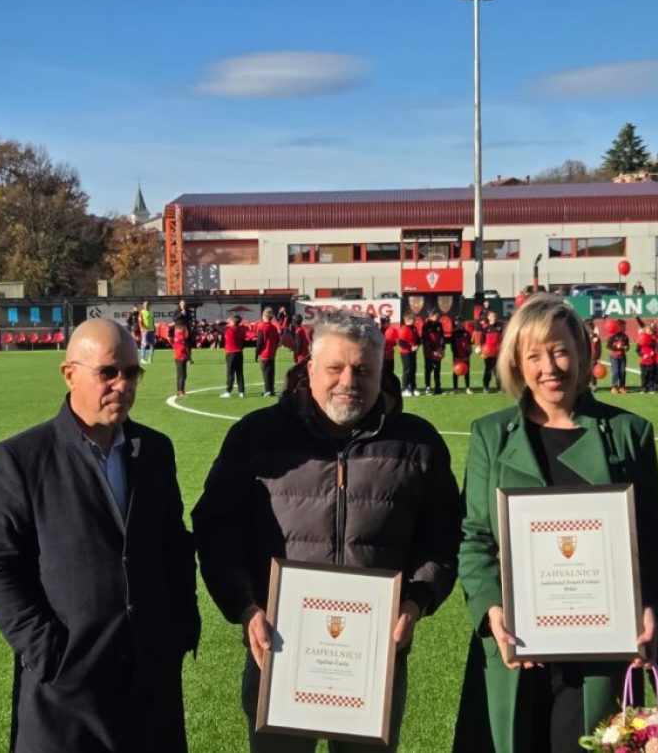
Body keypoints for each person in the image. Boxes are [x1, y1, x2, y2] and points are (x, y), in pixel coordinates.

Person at [193, 311, 463, 753]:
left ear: (383, 371)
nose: (348, 381)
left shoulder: (418, 443)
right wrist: (244, 608)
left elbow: (444, 535)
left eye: (363, 370)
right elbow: (216, 530)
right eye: (335, 368)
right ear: (309, 367)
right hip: (277, 650)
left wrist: (417, 601)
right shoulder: (256, 436)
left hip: (375, 657)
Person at [0, 319, 200, 753]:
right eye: (108, 372)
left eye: (132, 373)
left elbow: (174, 544)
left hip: (150, 685)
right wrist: (48, 651)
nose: (122, 384)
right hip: (65, 694)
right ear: (69, 372)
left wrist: (179, 627)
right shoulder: (20, 459)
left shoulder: (155, 451)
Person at [455, 293, 658, 753]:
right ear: (517, 364)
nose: (549, 366)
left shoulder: (629, 433)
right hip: (515, 644)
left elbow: (649, 539)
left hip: (601, 647)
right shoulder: (490, 435)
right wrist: (492, 609)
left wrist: (647, 605)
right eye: (534, 355)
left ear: (585, 353)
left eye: (560, 349)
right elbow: (475, 537)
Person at [256, 308, 280, 397]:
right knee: (271, 372)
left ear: (264, 316)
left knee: (266, 372)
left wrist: (257, 352)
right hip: (272, 353)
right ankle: (271, 389)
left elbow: (259, 342)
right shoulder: (273, 327)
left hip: (264, 353)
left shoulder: (262, 327)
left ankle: (267, 390)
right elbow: (277, 340)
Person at [221, 314, 246, 398]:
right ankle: (241, 391)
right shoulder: (241, 329)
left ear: (232, 322)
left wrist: (226, 321)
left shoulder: (228, 329)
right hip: (239, 352)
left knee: (230, 372)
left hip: (231, 353)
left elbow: (217, 325)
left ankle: (228, 391)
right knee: (239, 373)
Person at [422, 308, 446, 395]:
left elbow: (442, 337)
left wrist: (442, 348)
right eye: (437, 315)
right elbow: (425, 340)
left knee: (437, 369)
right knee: (428, 369)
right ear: (431, 315)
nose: (439, 317)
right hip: (429, 352)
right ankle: (428, 387)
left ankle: (437, 387)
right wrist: (432, 351)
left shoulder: (439, 324)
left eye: (439, 316)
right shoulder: (425, 325)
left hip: (438, 351)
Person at [397, 312, 419, 397]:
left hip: (413, 352)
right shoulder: (403, 329)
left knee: (413, 369)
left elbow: (417, 338)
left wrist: (417, 345)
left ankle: (413, 387)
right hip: (405, 353)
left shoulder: (413, 328)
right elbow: (400, 342)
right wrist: (410, 348)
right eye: (413, 319)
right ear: (407, 320)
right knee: (407, 370)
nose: (414, 321)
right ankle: (404, 388)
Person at [480, 311, 503, 392]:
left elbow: (503, 339)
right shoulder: (485, 329)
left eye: (495, 317)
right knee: (487, 370)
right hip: (488, 354)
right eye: (492, 317)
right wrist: (482, 351)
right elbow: (482, 341)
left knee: (498, 371)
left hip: (498, 353)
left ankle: (499, 387)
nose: (494, 318)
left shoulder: (500, 328)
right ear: (489, 318)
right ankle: (486, 386)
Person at [450, 317, 473, 394]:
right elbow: (452, 346)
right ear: (455, 323)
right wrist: (456, 354)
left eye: (460, 322)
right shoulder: (453, 333)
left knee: (466, 371)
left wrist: (468, 353)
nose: (459, 323)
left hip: (465, 355)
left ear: (463, 323)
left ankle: (467, 388)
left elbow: (469, 344)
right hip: (457, 356)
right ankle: (455, 388)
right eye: (457, 322)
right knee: (455, 372)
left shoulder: (466, 333)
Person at [607, 321, 630, 394]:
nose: (624, 328)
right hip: (614, 356)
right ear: (618, 327)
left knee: (623, 371)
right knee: (616, 371)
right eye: (623, 326)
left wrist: (626, 347)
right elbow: (608, 346)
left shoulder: (625, 337)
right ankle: (614, 387)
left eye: (625, 326)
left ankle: (622, 386)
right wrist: (616, 347)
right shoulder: (612, 336)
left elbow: (627, 346)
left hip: (622, 356)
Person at [172, 315, 192, 397]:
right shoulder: (179, 337)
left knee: (183, 374)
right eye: (183, 327)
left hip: (182, 357)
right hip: (179, 357)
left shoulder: (181, 337)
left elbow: (185, 347)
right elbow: (182, 347)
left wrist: (189, 357)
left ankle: (182, 390)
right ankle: (179, 391)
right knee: (181, 374)